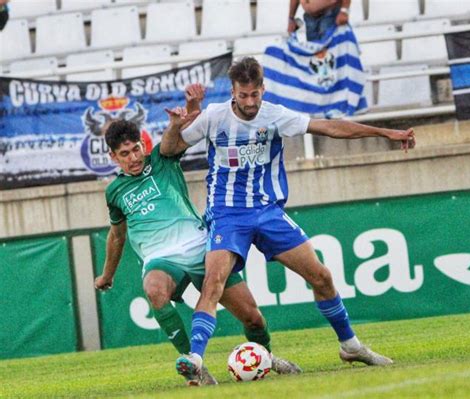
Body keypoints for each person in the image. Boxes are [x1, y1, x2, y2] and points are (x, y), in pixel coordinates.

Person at [160, 57, 416, 382]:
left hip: (268, 213)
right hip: (228, 215)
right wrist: (177, 123)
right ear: (233, 93)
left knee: (321, 276)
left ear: (262, 89)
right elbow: (169, 150)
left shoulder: (275, 115)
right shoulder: (213, 117)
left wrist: (384, 133)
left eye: (255, 94)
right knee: (212, 284)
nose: (251, 102)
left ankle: (350, 345)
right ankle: (195, 358)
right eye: (244, 95)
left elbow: (329, 126)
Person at [95, 115, 301, 386]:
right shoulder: (115, 192)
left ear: (143, 145)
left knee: (253, 318)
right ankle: (193, 365)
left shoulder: (161, 160)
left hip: (201, 247)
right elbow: (117, 236)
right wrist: (107, 275)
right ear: (113, 156)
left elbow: (172, 139)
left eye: (136, 149)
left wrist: (179, 119)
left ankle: (266, 357)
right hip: (161, 258)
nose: (133, 157)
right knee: (154, 290)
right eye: (125, 154)